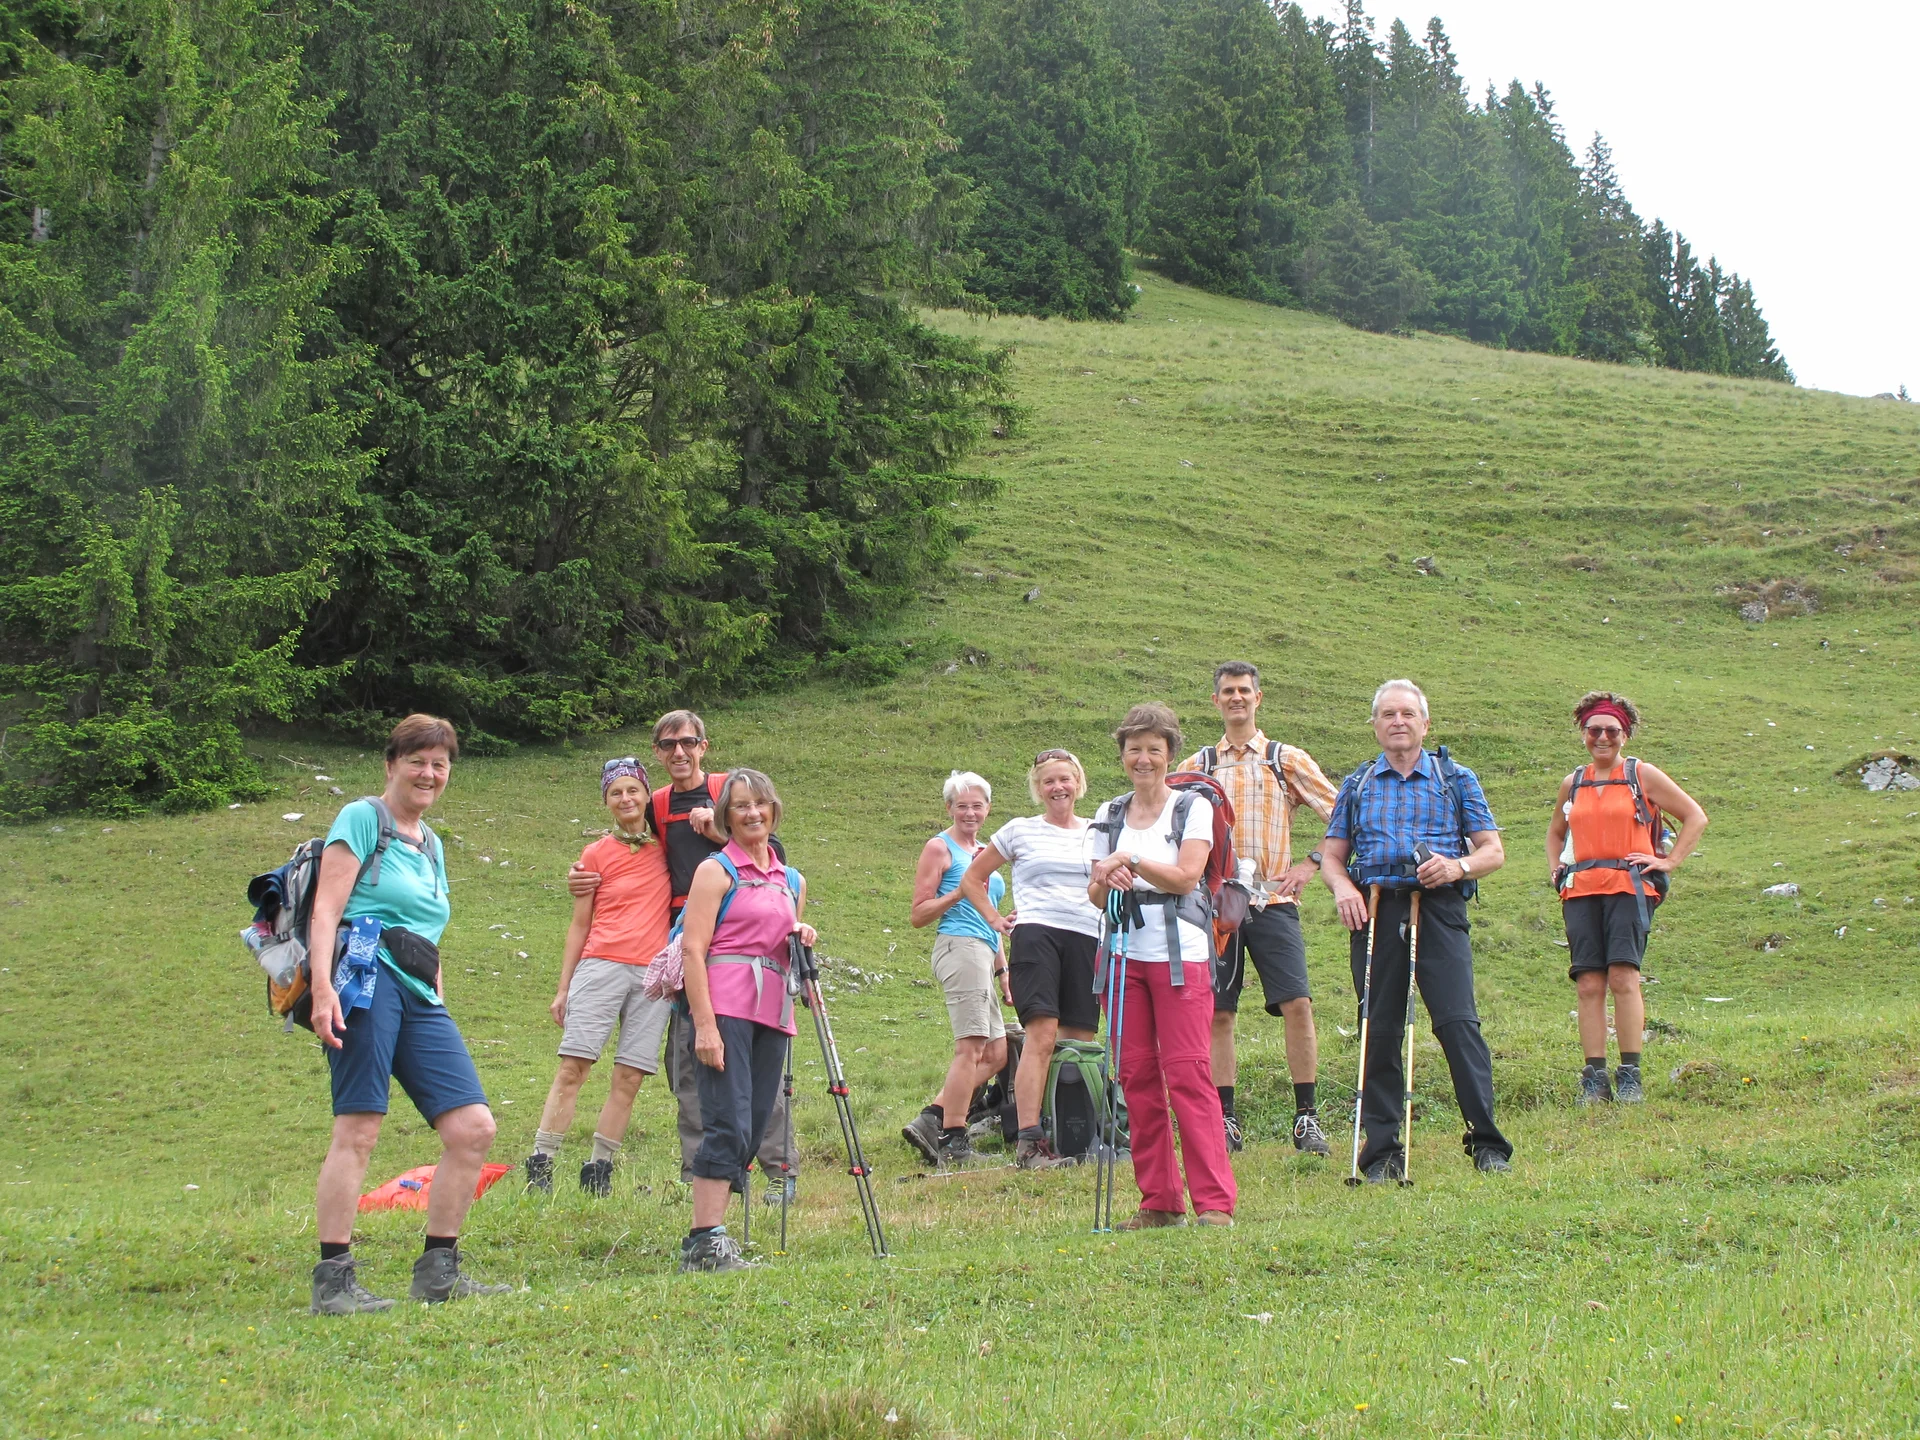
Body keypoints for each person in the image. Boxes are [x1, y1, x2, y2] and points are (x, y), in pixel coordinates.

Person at [305, 715, 511, 1313]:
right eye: (417, 761)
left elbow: (427, 927)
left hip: (420, 993)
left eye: (439, 764)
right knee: (359, 1128)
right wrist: (322, 989)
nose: (428, 773)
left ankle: (439, 1272)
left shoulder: (432, 843)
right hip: (365, 979)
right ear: (391, 764)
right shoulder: (361, 818)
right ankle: (333, 1281)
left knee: (473, 1129)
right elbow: (327, 909)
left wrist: (437, 990)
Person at [568, 710, 797, 1204]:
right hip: (683, 947)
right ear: (657, 752)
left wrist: (717, 832)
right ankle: (702, 1171)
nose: (679, 752)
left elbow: (772, 851)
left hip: (738, 942)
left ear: (703, 746)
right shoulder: (657, 803)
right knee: (691, 1067)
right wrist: (585, 875)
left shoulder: (728, 790)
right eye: (669, 744)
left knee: (756, 1068)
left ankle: (779, 1171)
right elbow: (631, 842)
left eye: (688, 742)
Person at [1319, 679, 1514, 1181]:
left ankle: (1487, 1142)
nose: (1398, 722)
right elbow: (1333, 857)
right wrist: (1342, 889)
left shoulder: (1456, 778)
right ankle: (1382, 1152)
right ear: (1375, 725)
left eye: (1407, 713)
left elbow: (1492, 851)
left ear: (1425, 723)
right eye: (1387, 714)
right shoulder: (1358, 784)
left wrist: (1456, 867)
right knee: (1378, 1027)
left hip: (1439, 906)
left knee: (1457, 1022)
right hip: (1376, 908)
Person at [1087, 703, 1236, 1229]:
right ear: (1122, 754)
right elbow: (1094, 893)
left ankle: (1214, 1204)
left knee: (1188, 1072)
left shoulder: (1193, 807)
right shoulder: (1108, 813)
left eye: (1154, 748)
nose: (1143, 759)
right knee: (1136, 1076)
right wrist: (1107, 879)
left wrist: (1129, 861)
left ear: (1170, 753)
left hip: (1181, 955)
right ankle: (1160, 1202)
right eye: (1134, 749)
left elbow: (1187, 876)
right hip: (1121, 954)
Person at [1184, 661, 1340, 1157]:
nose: (1237, 698)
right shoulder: (1198, 767)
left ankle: (1307, 1117)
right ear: (1215, 701)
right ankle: (1224, 1120)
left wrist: (1311, 863)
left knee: (1298, 1003)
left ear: (1258, 697)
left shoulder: (1284, 759)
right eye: (1228, 691)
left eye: (1244, 691)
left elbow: (1344, 815)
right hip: (1215, 906)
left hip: (1274, 900)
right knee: (1218, 1013)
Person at [677, 768, 816, 1272]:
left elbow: (780, 944)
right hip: (726, 1007)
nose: (752, 813)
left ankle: (713, 1239)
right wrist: (704, 1025)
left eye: (760, 803)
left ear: (773, 810)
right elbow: (693, 950)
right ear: (726, 817)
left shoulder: (791, 880)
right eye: (740, 805)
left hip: (773, 1012)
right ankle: (704, 1240)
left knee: (754, 1123)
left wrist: (801, 935)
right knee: (726, 1119)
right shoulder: (715, 871)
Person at [1545, 691, 1708, 1105]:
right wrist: (1556, 868)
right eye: (1594, 730)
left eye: (1611, 730)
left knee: (1623, 976)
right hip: (1581, 889)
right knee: (1588, 983)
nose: (1602, 737)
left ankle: (1630, 1075)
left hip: (1628, 887)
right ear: (1583, 733)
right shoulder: (1573, 783)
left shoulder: (1642, 775)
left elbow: (1695, 816)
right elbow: (1555, 833)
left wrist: (1669, 861)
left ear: (1625, 734)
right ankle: (1594, 1079)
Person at [524, 757, 675, 1195]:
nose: (625, 799)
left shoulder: (668, 847)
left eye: (633, 790)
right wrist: (563, 987)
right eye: (615, 793)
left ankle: (599, 1170)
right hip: (601, 965)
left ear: (647, 795)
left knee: (630, 1076)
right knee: (574, 1066)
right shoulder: (594, 854)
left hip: (653, 976)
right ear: (606, 801)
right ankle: (542, 1163)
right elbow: (579, 924)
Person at [958, 749, 1102, 1170]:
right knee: (1042, 1035)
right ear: (1038, 789)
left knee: (1080, 1041)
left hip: (1086, 937)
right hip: (1037, 935)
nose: (1058, 787)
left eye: (1065, 779)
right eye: (1048, 781)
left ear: (1078, 783)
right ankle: (1029, 1141)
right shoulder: (1020, 830)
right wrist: (995, 919)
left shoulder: (1098, 832)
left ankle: (1075, 1134)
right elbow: (972, 877)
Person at [902, 771, 1011, 1167]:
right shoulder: (939, 847)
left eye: (977, 805)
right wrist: (959, 891)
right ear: (949, 808)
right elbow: (918, 914)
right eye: (961, 805)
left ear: (988, 809)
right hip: (959, 946)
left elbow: (990, 914)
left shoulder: (986, 851)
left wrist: (1003, 970)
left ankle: (931, 1117)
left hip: (984, 950)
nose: (969, 812)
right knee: (971, 1047)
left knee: (996, 1054)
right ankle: (953, 1141)